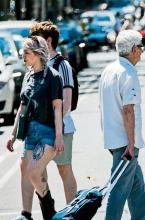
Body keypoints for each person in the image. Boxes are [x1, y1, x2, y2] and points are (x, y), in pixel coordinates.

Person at [6, 36, 64, 220]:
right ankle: (34, 214)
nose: (23, 56)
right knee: (26, 172)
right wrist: (13, 134)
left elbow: (57, 108)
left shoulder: (53, 76)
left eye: (27, 52)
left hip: (47, 132)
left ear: (38, 54)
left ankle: (49, 207)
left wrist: (59, 136)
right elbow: (22, 108)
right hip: (30, 133)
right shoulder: (28, 75)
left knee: (33, 172)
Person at [99, 30, 145, 220]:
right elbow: (128, 110)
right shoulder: (128, 73)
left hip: (113, 139)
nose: (142, 52)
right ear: (134, 49)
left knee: (137, 188)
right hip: (125, 143)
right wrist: (130, 143)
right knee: (118, 191)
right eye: (141, 48)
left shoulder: (109, 70)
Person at [28, 20, 78, 205]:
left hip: (61, 129)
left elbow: (67, 102)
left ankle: (72, 212)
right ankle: (48, 211)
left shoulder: (62, 65)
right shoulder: (36, 66)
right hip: (39, 131)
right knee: (38, 172)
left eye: (36, 40)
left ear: (48, 41)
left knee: (64, 170)